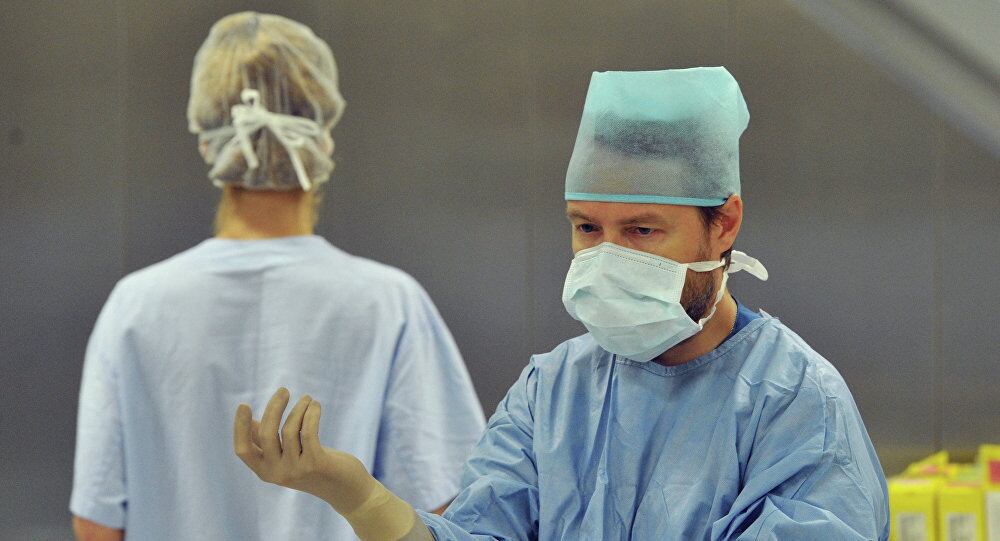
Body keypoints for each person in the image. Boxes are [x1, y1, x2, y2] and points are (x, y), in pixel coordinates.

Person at [233, 67, 890, 540]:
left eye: (641, 230)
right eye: (586, 227)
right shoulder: (552, 392)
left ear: (724, 224)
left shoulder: (797, 408)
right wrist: (358, 495)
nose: (606, 256)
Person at [70, 12, 485, 541]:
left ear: (208, 137)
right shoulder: (388, 303)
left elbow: (97, 523)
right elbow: (443, 510)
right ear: (321, 136)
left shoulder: (135, 305)